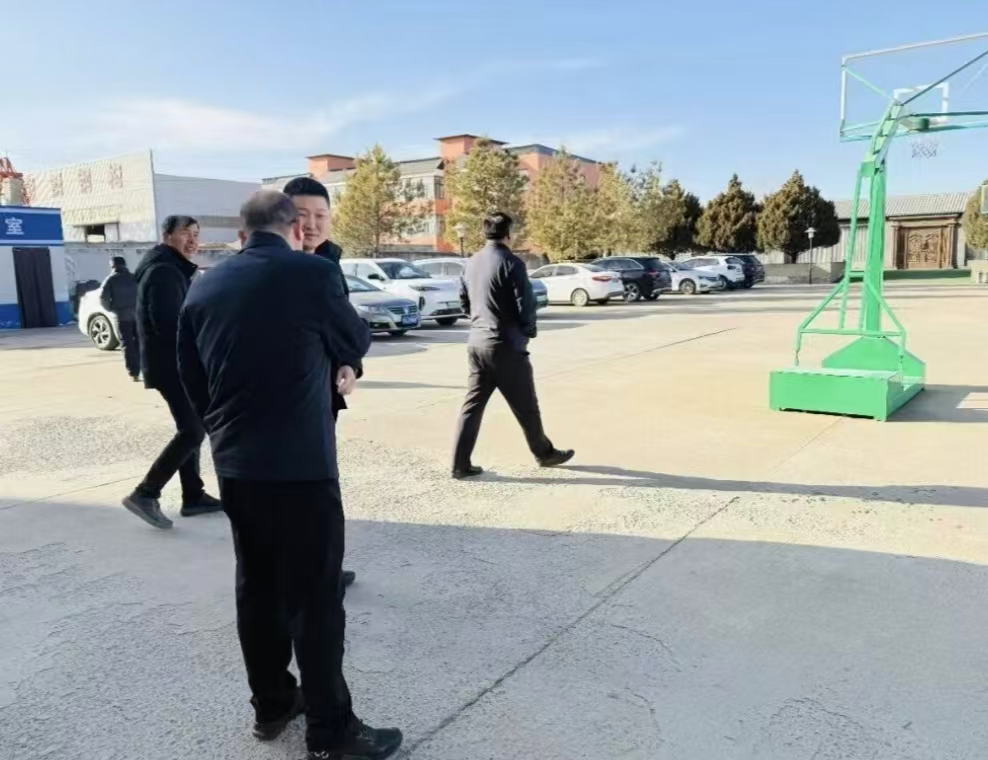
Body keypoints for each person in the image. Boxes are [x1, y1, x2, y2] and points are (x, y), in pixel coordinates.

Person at [177, 190, 402, 760]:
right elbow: (355, 339)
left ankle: (273, 705)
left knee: (257, 588)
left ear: (242, 233)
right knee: (316, 599)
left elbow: (190, 374)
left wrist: (223, 429)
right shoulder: (312, 274)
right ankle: (331, 732)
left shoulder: (204, 284)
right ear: (294, 229)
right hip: (301, 466)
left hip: (236, 464)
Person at [452, 212, 574, 479]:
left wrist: (479, 321)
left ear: (485, 232)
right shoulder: (511, 263)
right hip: (505, 347)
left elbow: (464, 301)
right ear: (508, 234)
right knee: (526, 406)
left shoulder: (470, 263)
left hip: (477, 344)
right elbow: (526, 304)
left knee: (472, 406)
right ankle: (544, 454)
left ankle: (459, 464)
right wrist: (528, 331)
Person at [122, 216, 222, 529]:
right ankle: (145, 493)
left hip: (173, 363)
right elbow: (170, 325)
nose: (192, 241)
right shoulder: (164, 271)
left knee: (191, 427)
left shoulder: (171, 267)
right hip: (172, 365)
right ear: (167, 235)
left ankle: (193, 496)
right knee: (192, 430)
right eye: (185, 234)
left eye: (196, 234)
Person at [283, 177, 358, 591]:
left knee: (323, 485)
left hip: (322, 394)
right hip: (278, 398)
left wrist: (349, 362)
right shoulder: (268, 266)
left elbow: (343, 326)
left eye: (320, 215)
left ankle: (325, 567)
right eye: (301, 215)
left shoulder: (330, 262)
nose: (311, 224)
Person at [100, 256, 140, 381]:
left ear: (113, 266)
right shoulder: (135, 277)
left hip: (122, 317)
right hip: (137, 315)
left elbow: (103, 298)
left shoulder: (110, 279)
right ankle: (143, 368)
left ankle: (133, 372)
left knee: (126, 343)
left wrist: (111, 309)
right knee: (139, 342)